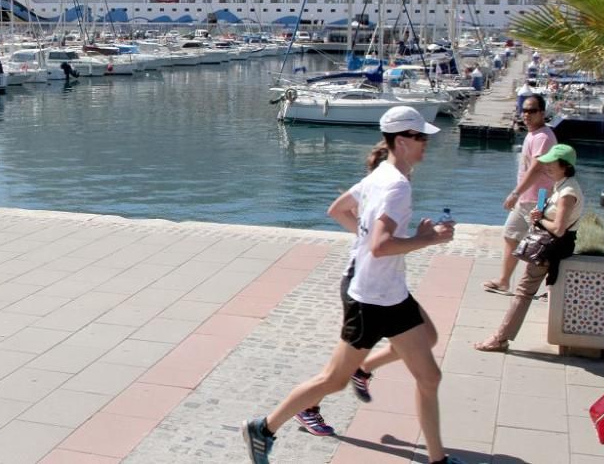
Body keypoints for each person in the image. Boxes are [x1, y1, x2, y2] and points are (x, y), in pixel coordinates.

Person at [242, 106, 460, 464]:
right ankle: (263, 428)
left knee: (429, 376)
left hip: (390, 294)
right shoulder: (395, 186)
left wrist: (366, 243)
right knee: (333, 380)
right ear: (402, 141)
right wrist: (429, 238)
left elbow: (338, 210)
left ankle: (438, 460)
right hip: (370, 301)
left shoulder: (382, 175)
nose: (425, 144)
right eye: (420, 137)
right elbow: (381, 245)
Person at [475, 144, 583, 352]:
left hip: (551, 247)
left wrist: (541, 220)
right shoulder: (563, 185)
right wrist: (539, 215)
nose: (547, 166)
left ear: (565, 166)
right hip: (553, 245)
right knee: (529, 291)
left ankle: (500, 338)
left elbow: (559, 229)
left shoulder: (568, 192)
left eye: (552, 163)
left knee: (523, 291)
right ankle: (501, 337)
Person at [484, 94, 556, 294]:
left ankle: (550, 289)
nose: (526, 115)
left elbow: (536, 168)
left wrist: (515, 193)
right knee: (511, 235)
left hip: (538, 197)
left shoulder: (543, 136)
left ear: (542, 113)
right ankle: (504, 281)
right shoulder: (533, 134)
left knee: (540, 244)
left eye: (532, 111)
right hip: (528, 198)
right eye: (523, 110)